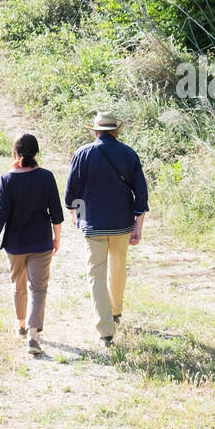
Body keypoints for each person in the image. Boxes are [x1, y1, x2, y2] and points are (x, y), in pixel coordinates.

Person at [64, 112, 149, 348]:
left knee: (96, 276)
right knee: (118, 268)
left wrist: (78, 216)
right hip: (122, 224)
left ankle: (105, 332)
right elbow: (141, 194)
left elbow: (71, 194)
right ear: (116, 131)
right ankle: (116, 311)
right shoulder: (129, 154)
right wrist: (138, 226)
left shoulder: (83, 153)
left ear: (94, 131)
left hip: (93, 225)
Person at [0, 133, 63, 354]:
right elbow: (56, 214)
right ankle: (32, 334)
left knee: (18, 285)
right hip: (41, 242)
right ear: (36, 153)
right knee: (38, 289)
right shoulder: (46, 177)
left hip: (15, 244)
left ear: (15, 153)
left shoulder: (7, 179)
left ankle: (21, 323)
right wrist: (57, 237)